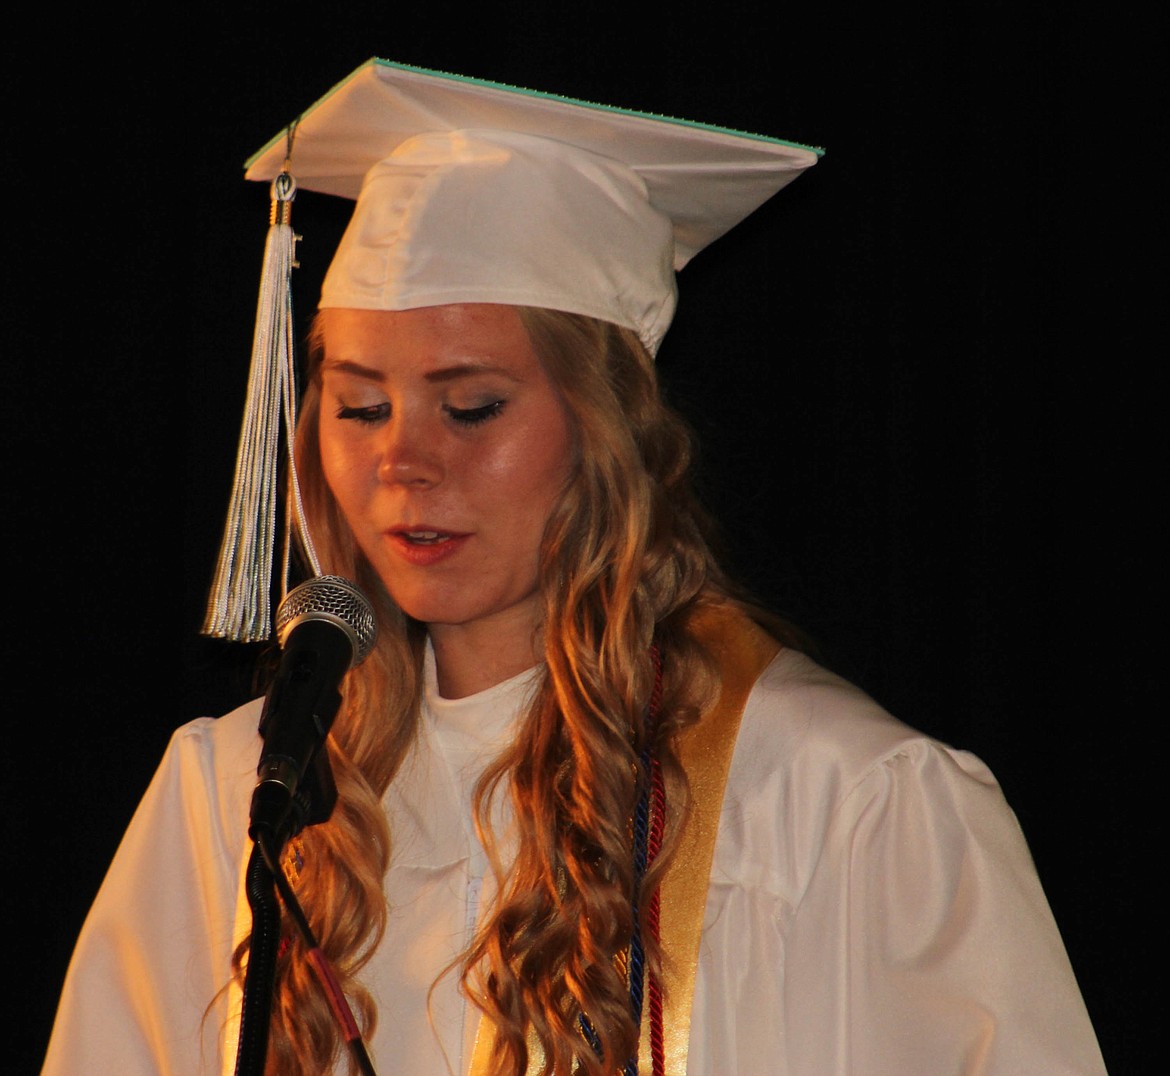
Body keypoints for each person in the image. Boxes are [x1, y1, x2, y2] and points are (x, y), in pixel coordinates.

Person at [43, 58, 1106, 1075]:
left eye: (472, 407)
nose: (401, 461)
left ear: (604, 432)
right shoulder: (232, 796)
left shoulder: (834, 803)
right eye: (359, 405)